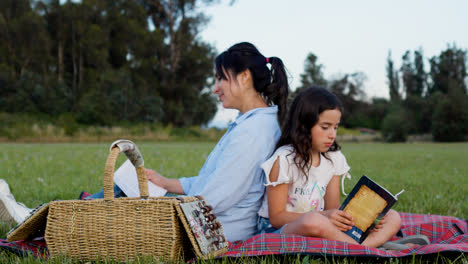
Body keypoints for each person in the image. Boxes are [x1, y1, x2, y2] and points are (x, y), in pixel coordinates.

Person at [0, 42, 289, 242]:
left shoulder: (254, 131)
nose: (215, 88)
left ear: (245, 77)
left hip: (214, 229)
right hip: (210, 217)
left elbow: (215, 197)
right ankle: (41, 218)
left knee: (128, 196)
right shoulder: (253, 124)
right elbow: (213, 183)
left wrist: (160, 201)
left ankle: (39, 222)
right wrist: (165, 183)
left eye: (220, 79)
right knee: (131, 185)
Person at [256, 86, 402, 248]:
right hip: (278, 230)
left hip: (321, 226)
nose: (332, 134)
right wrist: (325, 215)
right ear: (303, 125)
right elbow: (276, 217)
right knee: (313, 221)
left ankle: (367, 242)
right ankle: (371, 246)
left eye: (335, 127)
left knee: (393, 217)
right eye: (325, 127)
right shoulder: (284, 159)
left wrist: (364, 220)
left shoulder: (334, 159)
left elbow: (333, 207)